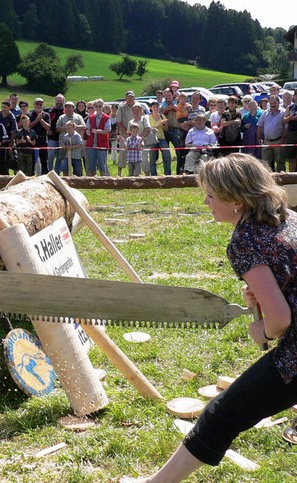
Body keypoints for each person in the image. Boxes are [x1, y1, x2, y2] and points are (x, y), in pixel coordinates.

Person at [122, 153, 297, 482]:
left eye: (211, 195)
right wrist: (272, 290)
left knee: (221, 415)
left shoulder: (245, 240)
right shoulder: (287, 218)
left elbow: (280, 320)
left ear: (235, 200)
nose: (205, 201)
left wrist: (265, 330)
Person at [257, 95, 285, 172]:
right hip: (267, 141)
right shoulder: (265, 113)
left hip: (279, 141)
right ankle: (268, 179)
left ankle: (281, 179)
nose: (273, 105)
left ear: (279, 102)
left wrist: (282, 140)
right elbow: (259, 125)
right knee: (266, 162)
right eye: (271, 103)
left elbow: (286, 128)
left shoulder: (283, 112)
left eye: (275, 103)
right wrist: (259, 137)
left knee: (280, 162)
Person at [85, 98, 111, 176]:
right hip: (91, 144)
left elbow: (107, 130)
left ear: (102, 107)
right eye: (96, 106)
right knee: (92, 164)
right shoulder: (90, 117)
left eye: (100, 106)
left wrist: (97, 131)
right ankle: (94, 181)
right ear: (94, 107)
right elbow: (88, 128)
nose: (98, 108)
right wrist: (88, 131)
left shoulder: (106, 117)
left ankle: (103, 181)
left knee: (102, 164)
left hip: (102, 144)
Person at [147, 101, 172, 175]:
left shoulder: (162, 116)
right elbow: (151, 129)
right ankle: (153, 175)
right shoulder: (148, 118)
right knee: (152, 159)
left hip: (161, 138)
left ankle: (167, 174)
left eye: (157, 106)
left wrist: (164, 125)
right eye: (154, 107)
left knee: (167, 156)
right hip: (152, 140)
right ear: (151, 108)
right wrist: (160, 123)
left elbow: (166, 129)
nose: (155, 108)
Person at [282, 90, 297, 172]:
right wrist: (291, 117)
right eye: (296, 95)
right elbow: (284, 120)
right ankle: (292, 176)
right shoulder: (290, 107)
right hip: (291, 134)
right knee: (291, 158)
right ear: (294, 97)